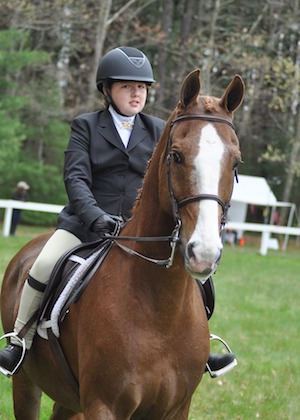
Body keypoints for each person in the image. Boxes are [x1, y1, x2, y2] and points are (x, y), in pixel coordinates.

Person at [0, 46, 236, 378]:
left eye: (141, 87)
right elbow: (76, 177)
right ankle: (19, 340)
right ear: (107, 89)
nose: (136, 93)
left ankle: (200, 346)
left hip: (142, 229)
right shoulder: (86, 126)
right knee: (43, 265)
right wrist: (95, 216)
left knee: (200, 280)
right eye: (127, 86)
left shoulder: (159, 129)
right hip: (86, 224)